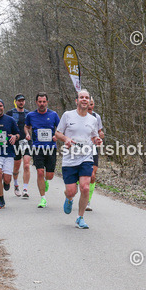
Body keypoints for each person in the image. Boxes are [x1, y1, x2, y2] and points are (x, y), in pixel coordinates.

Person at [55, 89, 100, 229]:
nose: (84, 100)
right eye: (82, 97)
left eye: (87, 97)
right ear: (77, 100)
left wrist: (96, 139)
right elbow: (57, 133)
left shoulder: (93, 119)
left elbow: (93, 136)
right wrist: (66, 138)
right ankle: (69, 199)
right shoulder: (67, 116)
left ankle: (80, 217)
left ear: (89, 101)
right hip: (70, 158)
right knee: (71, 191)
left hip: (86, 156)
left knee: (85, 187)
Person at [25, 92, 60, 209]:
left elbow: (60, 129)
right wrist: (27, 134)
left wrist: (56, 136)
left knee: (49, 175)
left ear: (47, 102)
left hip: (51, 148)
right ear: (36, 102)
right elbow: (26, 126)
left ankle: (46, 180)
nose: (42, 104)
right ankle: (43, 198)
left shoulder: (54, 115)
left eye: (44, 101)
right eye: (40, 102)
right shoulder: (30, 115)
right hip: (37, 147)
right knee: (40, 171)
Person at [8, 94, 32, 198]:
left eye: (23, 100)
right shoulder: (10, 113)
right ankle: (16, 184)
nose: (21, 102)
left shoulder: (29, 114)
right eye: (19, 101)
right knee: (16, 166)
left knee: (26, 164)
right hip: (15, 142)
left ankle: (25, 189)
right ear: (16, 102)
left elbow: (33, 126)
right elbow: (6, 125)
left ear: (24, 102)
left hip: (26, 141)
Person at [87, 96, 105, 211]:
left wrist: (101, 135)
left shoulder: (96, 116)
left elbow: (99, 132)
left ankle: (88, 201)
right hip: (80, 149)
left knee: (93, 175)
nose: (90, 106)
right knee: (82, 176)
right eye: (89, 104)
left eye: (92, 104)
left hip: (92, 148)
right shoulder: (76, 116)